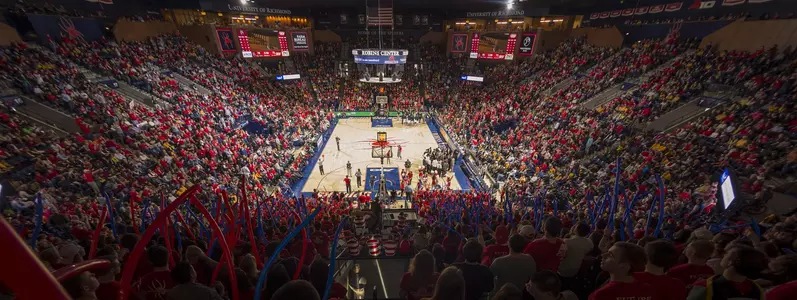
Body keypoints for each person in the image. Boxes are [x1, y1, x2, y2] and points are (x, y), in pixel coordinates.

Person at [687, 246, 768, 300]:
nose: (724, 254)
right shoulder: (757, 290)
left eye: (727, 253)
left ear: (730, 262)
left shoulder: (706, 287)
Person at [588, 242, 656, 300]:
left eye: (610, 255)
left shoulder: (601, 295)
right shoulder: (650, 291)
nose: (603, 255)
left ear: (625, 266)